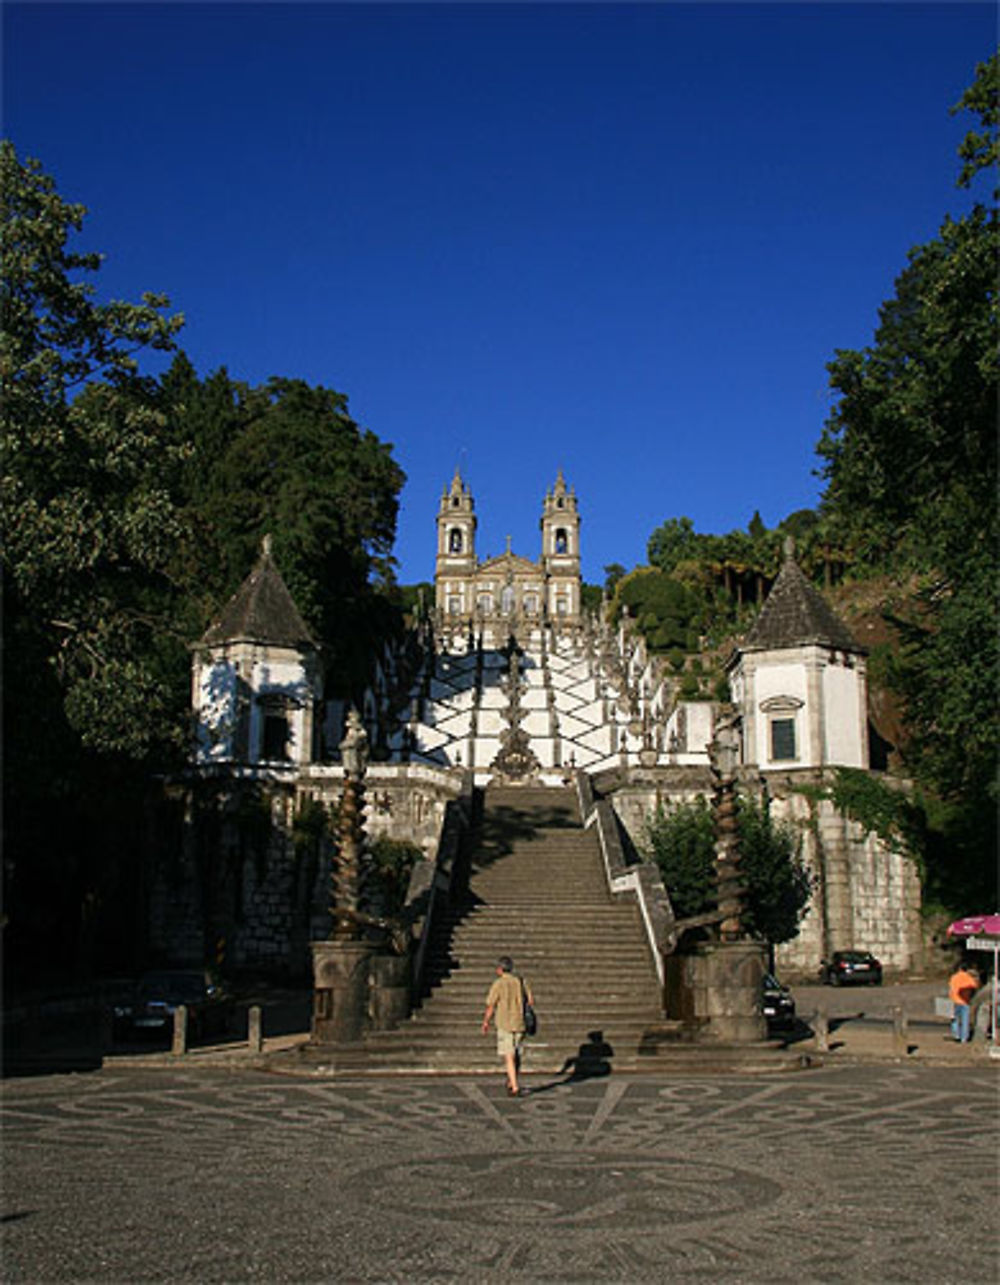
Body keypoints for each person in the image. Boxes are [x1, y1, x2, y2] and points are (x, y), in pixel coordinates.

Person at [481, 955, 534, 1096]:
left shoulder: (499, 984)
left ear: (500, 969)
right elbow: (530, 1001)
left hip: (505, 1022)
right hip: (519, 1022)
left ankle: (515, 1087)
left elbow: (491, 1004)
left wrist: (486, 1021)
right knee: (515, 1053)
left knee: (508, 1055)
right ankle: (511, 1081)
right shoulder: (521, 981)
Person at [948, 960, 978, 1042]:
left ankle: (957, 1034)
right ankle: (964, 1037)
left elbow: (951, 988)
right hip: (965, 1001)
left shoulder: (954, 977)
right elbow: (974, 986)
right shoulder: (969, 977)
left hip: (955, 1000)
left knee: (954, 1019)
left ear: (959, 968)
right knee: (965, 1020)